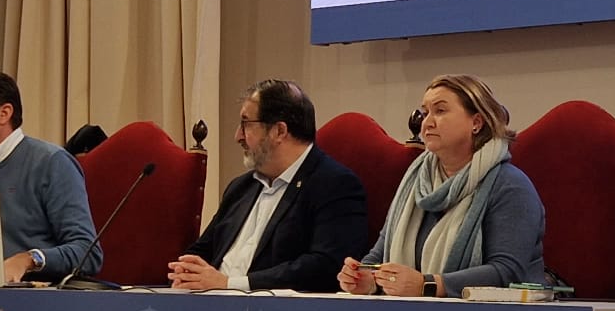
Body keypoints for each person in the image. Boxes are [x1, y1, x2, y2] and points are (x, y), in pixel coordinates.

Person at [337, 74, 545, 298]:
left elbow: (507, 272)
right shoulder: (415, 181)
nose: (427, 122)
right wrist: (366, 279)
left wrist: (428, 285)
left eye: (440, 111)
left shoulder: (510, 185)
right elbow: (380, 254)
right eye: (425, 113)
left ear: (476, 122)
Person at [168, 80, 367, 292]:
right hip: (208, 304)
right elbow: (203, 250)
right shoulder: (241, 187)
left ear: (279, 131)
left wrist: (230, 284)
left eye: (246, 124)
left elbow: (325, 266)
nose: (238, 136)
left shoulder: (334, 185)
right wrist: (186, 271)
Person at [0, 69, 99, 283]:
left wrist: (28, 260)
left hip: (37, 303)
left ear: (4, 113)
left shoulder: (51, 163)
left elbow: (87, 253)